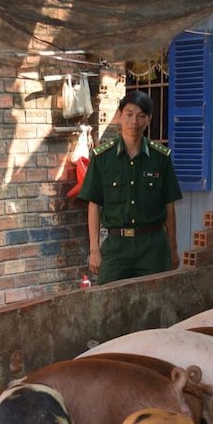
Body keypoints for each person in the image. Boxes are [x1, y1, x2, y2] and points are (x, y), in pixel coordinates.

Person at [77, 90, 183, 285]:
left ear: (149, 119)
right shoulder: (102, 157)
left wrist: (173, 247)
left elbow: (169, 205)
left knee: (155, 298)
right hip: (116, 246)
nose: (134, 121)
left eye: (141, 116)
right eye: (129, 114)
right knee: (108, 298)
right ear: (120, 116)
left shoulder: (161, 158)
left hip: (153, 245)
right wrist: (94, 249)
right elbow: (94, 205)